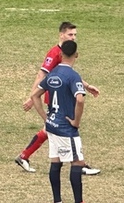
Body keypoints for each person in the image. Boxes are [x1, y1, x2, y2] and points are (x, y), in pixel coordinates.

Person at [15, 22, 100, 176]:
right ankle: (79, 164)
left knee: (50, 129)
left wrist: (86, 86)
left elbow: (69, 75)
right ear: (61, 35)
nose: (73, 37)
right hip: (56, 97)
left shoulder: (67, 52)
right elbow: (42, 75)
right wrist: (32, 97)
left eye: (75, 35)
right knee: (68, 127)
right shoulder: (54, 53)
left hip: (63, 95)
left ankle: (24, 156)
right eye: (70, 34)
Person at [30, 40, 87, 203]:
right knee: (78, 162)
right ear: (76, 55)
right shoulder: (73, 76)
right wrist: (76, 122)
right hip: (66, 129)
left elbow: (35, 95)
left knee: (56, 161)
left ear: (61, 55)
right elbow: (80, 100)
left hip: (52, 125)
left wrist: (46, 118)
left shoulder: (53, 73)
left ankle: (57, 200)